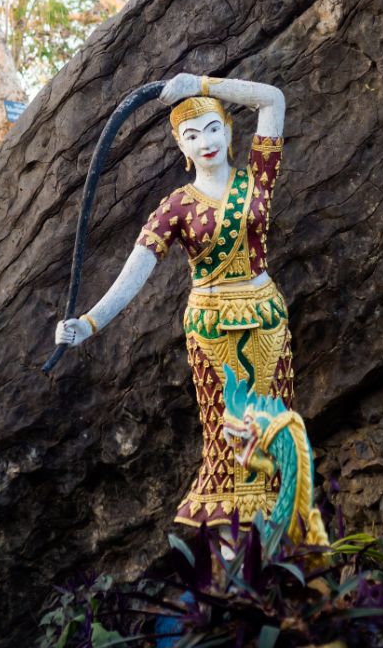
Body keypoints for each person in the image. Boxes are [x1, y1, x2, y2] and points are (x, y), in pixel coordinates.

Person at [54, 72, 293, 529]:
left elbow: (271, 99)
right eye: (190, 136)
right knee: (225, 433)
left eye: (212, 128)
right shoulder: (176, 206)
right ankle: (228, 533)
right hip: (211, 328)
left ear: (229, 131)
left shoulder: (258, 180)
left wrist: (201, 85)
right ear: (181, 150)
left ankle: (279, 523)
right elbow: (135, 271)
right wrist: (88, 323)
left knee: (271, 425)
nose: (204, 142)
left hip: (265, 318)